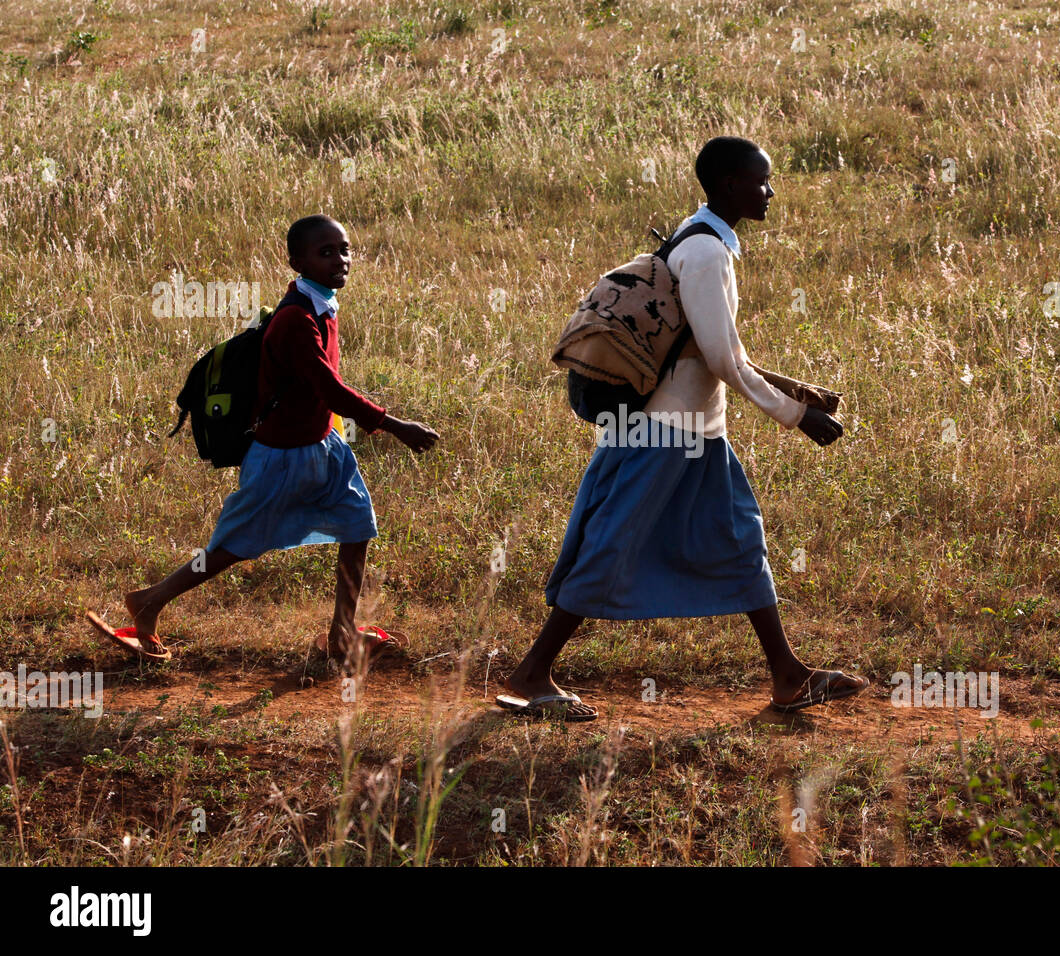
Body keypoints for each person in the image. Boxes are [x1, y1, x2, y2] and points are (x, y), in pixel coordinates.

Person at [499, 137, 864, 721]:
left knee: (743, 545)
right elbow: (722, 359)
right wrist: (794, 415)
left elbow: (709, 350)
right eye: (760, 181)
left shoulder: (699, 242)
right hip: (661, 434)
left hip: (696, 433)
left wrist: (793, 391)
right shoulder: (707, 254)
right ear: (726, 185)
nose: (769, 192)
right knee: (609, 547)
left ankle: (788, 675)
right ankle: (531, 675)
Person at [91, 215, 439, 670]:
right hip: (282, 458)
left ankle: (340, 633)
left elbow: (323, 390)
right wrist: (395, 425)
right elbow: (328, 388)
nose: (340, 260)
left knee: (357, 527)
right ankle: (150, 601)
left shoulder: (320, 306)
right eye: (326, 252)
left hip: (323, 446)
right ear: (296, 261)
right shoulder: (297, 319)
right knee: (229, 550)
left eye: (345, 249)